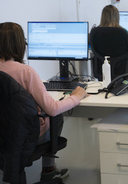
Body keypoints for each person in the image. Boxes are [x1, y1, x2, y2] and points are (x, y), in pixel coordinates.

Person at [0, 22, 88, 182]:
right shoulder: (25, 72)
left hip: (2, 136)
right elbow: (53, 108)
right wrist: (76, 96)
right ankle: (49, 169)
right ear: (20, 44)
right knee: (56, 116)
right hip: (23, 137)